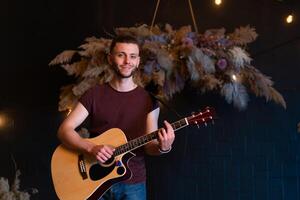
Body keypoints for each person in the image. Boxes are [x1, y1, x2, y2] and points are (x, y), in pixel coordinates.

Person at [57, 35, 175, 200]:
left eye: (133, 56)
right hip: (94, 182)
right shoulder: (94, 94)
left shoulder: (149, 100)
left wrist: (164, 146)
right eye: (121, 55)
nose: (127, 61)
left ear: (138, 61)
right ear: (110, 58)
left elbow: (150, 147)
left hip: (133, 184)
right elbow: (64, 130)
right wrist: (90, 148)